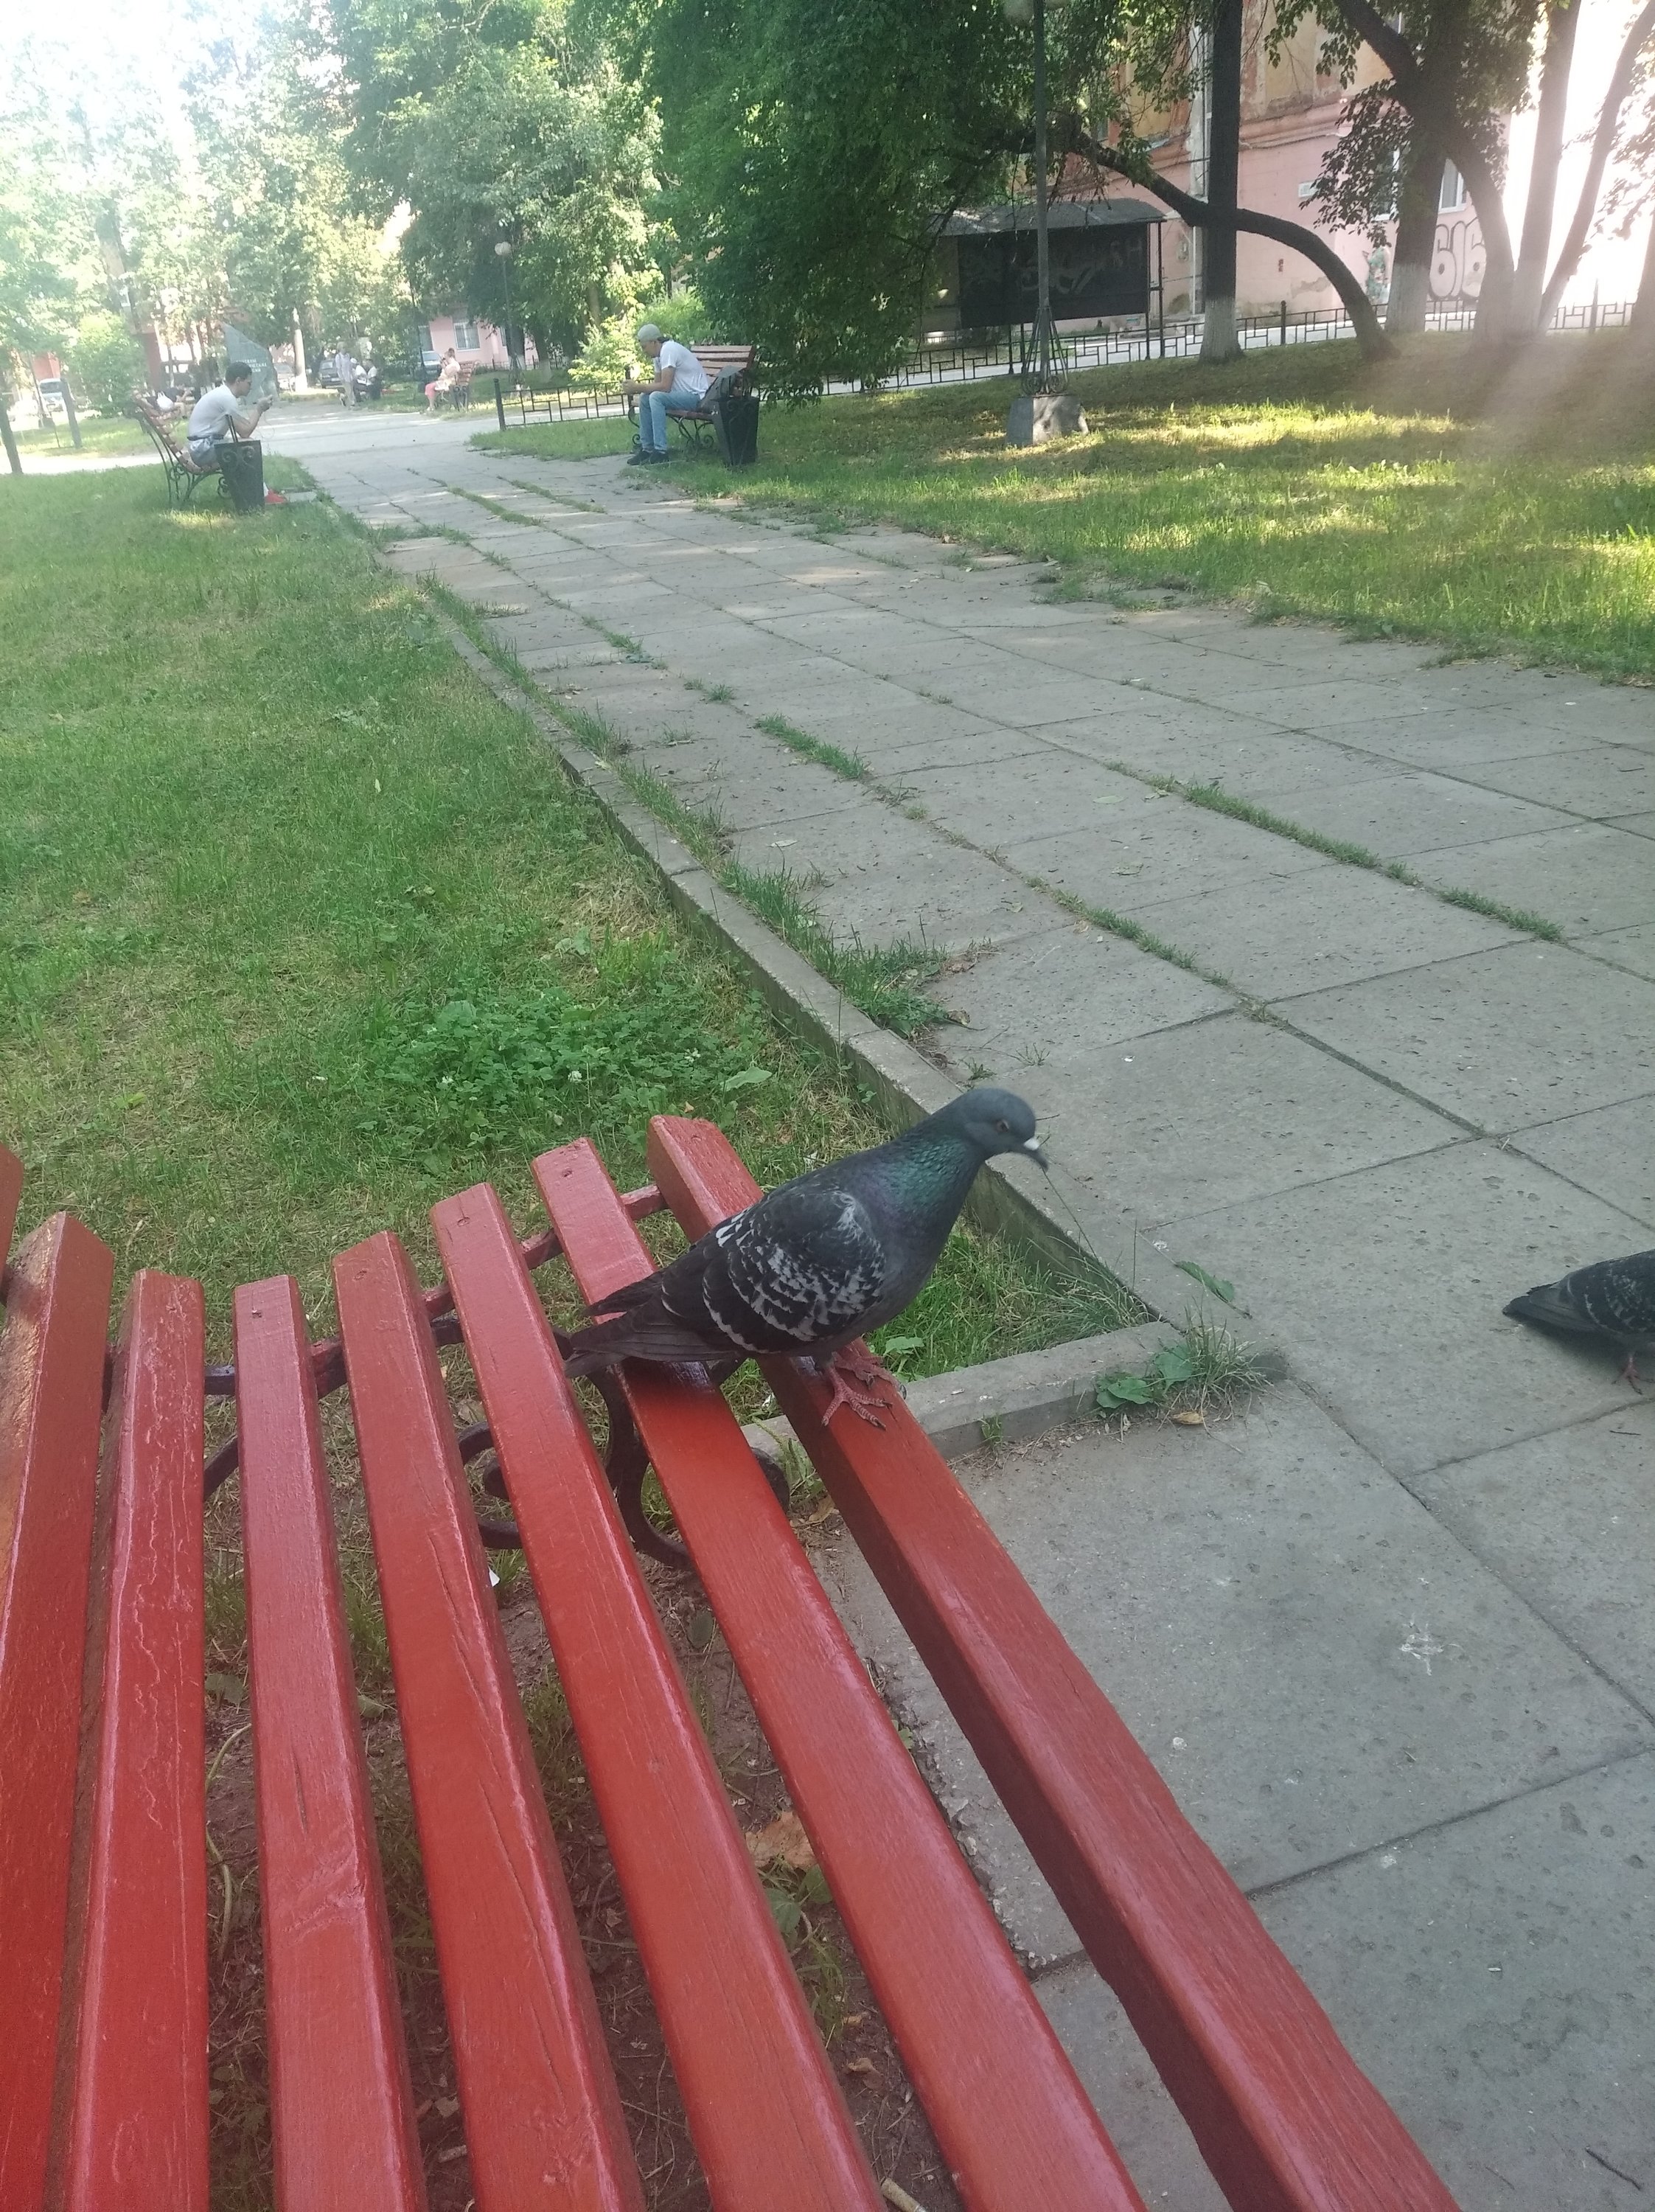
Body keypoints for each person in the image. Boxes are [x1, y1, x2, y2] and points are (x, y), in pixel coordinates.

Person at [621, 324, 708, 465]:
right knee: (646, 398)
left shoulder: (669, 349)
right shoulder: (658, 356)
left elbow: (665, 387)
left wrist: (637, 387)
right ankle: (647, 449)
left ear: (654, 342)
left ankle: (661, 451)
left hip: (696, 397)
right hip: (681, 396)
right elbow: (656, 386)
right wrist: (637, 389)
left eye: (644, 347)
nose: (643, 351)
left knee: (656, 398)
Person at [186, 364, 270, 465]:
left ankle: (243, 476)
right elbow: (245, 432)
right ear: (238, 381)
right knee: (248, 446)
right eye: (249, 383)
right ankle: (250, 476)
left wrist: (259, 409)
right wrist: (260, 409)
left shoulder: (223, 393)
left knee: (247, 443)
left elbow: (245, 426)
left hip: (200, 446)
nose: (250, 387)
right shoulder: (227, 398)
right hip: (202, 450)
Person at [425, 347, 459, 412]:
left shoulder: (454, 365)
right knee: (428, 386)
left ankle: (432, 406)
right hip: (443, 382)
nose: (443, 360)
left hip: (449, 384)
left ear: (449, 358)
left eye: (444, 358)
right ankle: (431, 405)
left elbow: (449, 374)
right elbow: (444, 375)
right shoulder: (448, 365)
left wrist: (444, 367)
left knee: (430, 387)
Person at [331, 341, 358, 406]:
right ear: (340, 349)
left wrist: (353, 374)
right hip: (344, 375)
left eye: (345, 348)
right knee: (349, 390)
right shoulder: (338, 357)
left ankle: (343, 398)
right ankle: (352, 402)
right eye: (343, 348)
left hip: (350, 375)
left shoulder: (348, 356)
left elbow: (350, 366)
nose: (344, 349)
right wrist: (341, 377)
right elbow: (339, 368)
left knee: (351, 389)